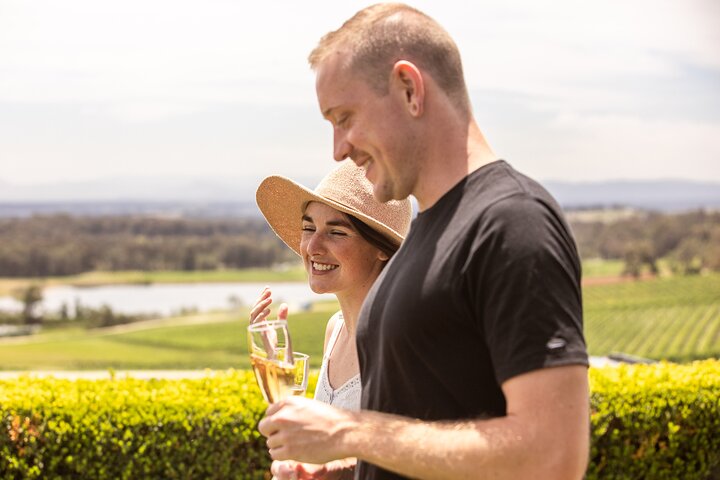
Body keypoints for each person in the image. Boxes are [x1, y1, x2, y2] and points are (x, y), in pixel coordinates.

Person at [258, 3, 591, 480]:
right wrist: (343, 471)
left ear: (410, 89)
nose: (339, 148)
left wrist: (350, 432)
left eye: (345, 116)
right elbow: (427, 427)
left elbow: (553, 456)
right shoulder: (429, 232)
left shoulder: (511, 223)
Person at [252, 160, 412, 479]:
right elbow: (317, 449)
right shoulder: (334, 329)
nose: (312, 246)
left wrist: (325, 472)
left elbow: (410, 458)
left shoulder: (403, 342)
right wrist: (281, 385)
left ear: (381, 248)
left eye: (336, 232)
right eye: (309, 227)